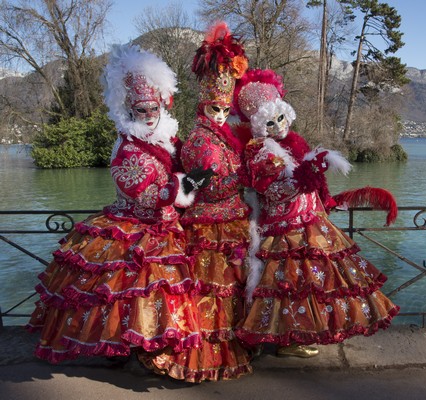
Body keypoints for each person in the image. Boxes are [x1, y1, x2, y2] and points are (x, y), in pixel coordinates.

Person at [26, 44, 206, 366]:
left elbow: (185, 164)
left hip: (168, 223)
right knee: (125, 290)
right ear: (129, 110)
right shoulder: (126, 148)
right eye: (142, 111)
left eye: (154, 109)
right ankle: (119, 347)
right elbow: (141, 193)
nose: (150, 116)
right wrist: (182, 186)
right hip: (136, 224)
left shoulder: (168, 139)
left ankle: (157, 346)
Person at [234, 69, 401, 358]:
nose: (278, 126)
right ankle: (289, 340)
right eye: (270, 123)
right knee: (290, 286)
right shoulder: (259, 152)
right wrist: (308, 173)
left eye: (281, 118)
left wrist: (318, 185)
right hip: (285, 230)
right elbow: (275, 190)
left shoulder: (295, 143)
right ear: (261, 127)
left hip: (309, 223)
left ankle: (305, 332)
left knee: (315, 283)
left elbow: (308, 183)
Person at [138, 22, 253, 382]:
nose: (220, 117)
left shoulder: (227, 138)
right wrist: (213, 178)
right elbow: (195, 182)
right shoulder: (199, 142)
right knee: (210, 293)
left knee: (233, 290)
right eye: (213, 110)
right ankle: (204, 353)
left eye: (223, 111)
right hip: (208, 227)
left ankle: (238, 342)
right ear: (202, 109)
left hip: (233, 221)